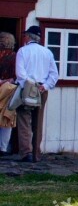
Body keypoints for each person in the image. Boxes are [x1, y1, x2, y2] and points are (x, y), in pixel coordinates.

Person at [15, 26, 59, 163]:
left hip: (26, 88)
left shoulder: (22, 51)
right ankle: (36, 154)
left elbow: (20, 73)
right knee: (38, 121)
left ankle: (26, 152)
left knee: (23, 120)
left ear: (28, 37)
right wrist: (44, 86)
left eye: (25, 36)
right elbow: (54, 74)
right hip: (41, 90)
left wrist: (30, 85)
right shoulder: (47, 52)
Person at [0, 32, 17, 156]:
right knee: (7, 118)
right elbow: (16, 77)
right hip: (9, 90)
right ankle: (3, 148)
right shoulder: (15, 56)